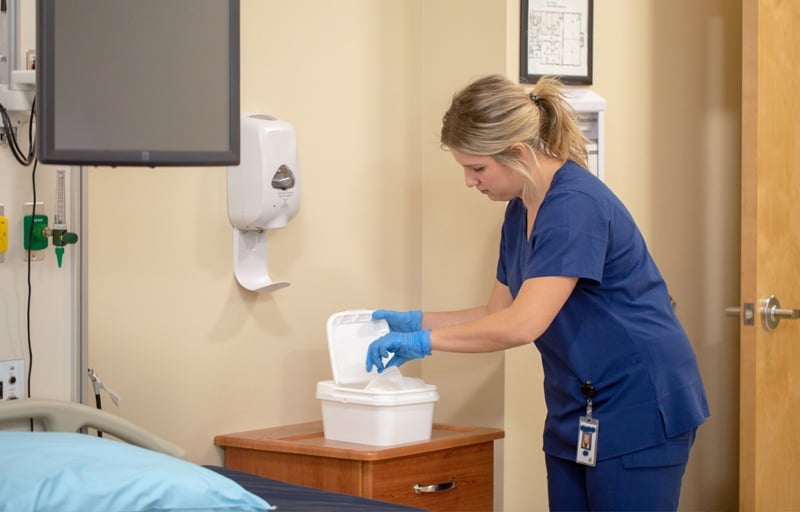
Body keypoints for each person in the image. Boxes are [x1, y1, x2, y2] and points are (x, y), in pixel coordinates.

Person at [365, 74, 709, 511]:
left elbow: (522, 325)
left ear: (519, 152)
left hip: (638, 403)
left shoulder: (573, 207)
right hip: (577, 406)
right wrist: (414, 320)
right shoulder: (519, 209)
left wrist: (423, 342)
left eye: (477, 168)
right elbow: (498, 310)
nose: (470, 183)